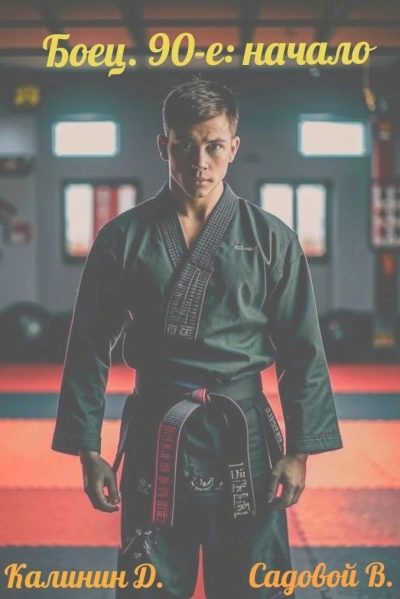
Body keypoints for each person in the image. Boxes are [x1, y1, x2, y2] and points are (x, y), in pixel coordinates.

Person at [52, 78, 343, 599]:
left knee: (255, 587)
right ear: (163, 145)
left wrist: (300, 452)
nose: (199, 162)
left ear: (234, 146)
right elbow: (88, 348)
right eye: (184, 145)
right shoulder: (122, 238)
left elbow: (303, 350)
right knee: (150, 587)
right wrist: (87, 449)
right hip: (157, 430)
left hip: (244, 435)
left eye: (213, 145)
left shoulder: (271, 238)